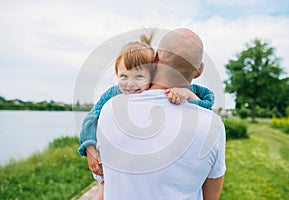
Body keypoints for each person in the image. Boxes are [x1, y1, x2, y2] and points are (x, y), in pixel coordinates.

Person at [78, 32, 215, 199]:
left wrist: (187, 93)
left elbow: (206, 102)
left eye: (139, 77)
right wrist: (90, 149)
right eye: (123, 76)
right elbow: (90, 119)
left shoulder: (167, 89)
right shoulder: (113, 94)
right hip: (115, 164)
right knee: (104, 189)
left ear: (154, 70)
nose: (130, 84)